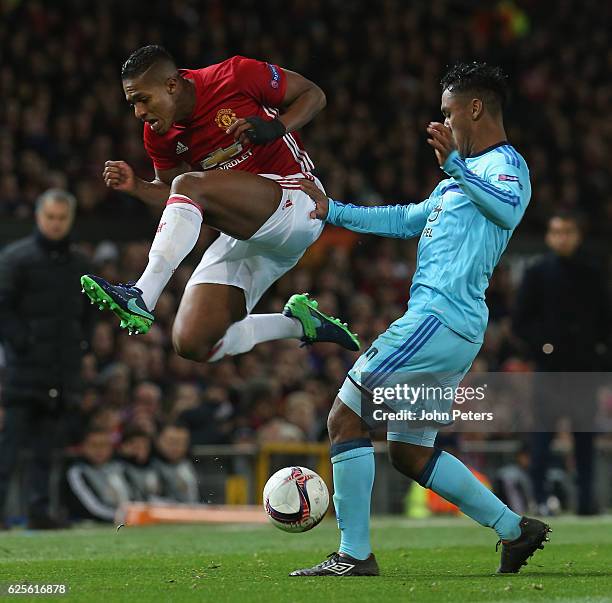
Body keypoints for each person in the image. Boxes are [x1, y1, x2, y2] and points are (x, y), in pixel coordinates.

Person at [290, 62, 550, 577]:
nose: (444, 122)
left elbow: (508, 208)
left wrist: (456, 165)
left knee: (346, 416)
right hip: (451, 328)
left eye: (449, 112)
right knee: (408, 453)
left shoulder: (503, 165)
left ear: (475, 108)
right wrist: (332, 210)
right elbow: (408, 218)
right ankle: (514, 529)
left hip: (436, 319)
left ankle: (354, 554)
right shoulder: (459, 181)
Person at [81, 45, 359, 360]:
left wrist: (277, 126)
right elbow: (178, 199)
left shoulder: (234, 75)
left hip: (300, 201)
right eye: (132, 103)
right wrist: (138, 187)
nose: (139, 113)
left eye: (143, 99)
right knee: (193, 343)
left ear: (172, 85)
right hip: (250, 231)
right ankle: (298, 324)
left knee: (188, 183)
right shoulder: (158, 134)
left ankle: (142, 294)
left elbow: (314, 95)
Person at [0, 189, 92, 529]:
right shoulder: (16, 258)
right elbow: (3, 307)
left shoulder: (81, 263)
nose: (55, 224)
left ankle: (39, 512)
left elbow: (87, 313)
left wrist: (81, 346)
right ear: (39, 217)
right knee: (9, 447)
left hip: (61, 370)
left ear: (70, 219)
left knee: (46, 448)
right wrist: (22, 343)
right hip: (24, 369)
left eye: (61, 218)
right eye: (50, 217)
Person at [513, 211, 610, 515]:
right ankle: (539, 500)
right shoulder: (538, 272)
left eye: (567, 231)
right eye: (556, 232)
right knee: (542, 436)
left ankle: (585, 502)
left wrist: (599, 356)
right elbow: (520, 321)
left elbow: (606, 320)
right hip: (550, 369)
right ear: (548, 236)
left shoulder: (592, 272)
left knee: (585, 439)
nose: (562, 238)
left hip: (583, 368)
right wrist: (542, 347)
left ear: (577, 235)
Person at [64, 428, 131, 523]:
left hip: (126, 522)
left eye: (104, 445)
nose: (99, 450)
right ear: (83, 447)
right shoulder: (77, 472)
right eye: (94, 445)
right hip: (90, 525)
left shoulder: (120, 468)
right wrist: (124, 517)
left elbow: (136, 498)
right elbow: (92, 508)